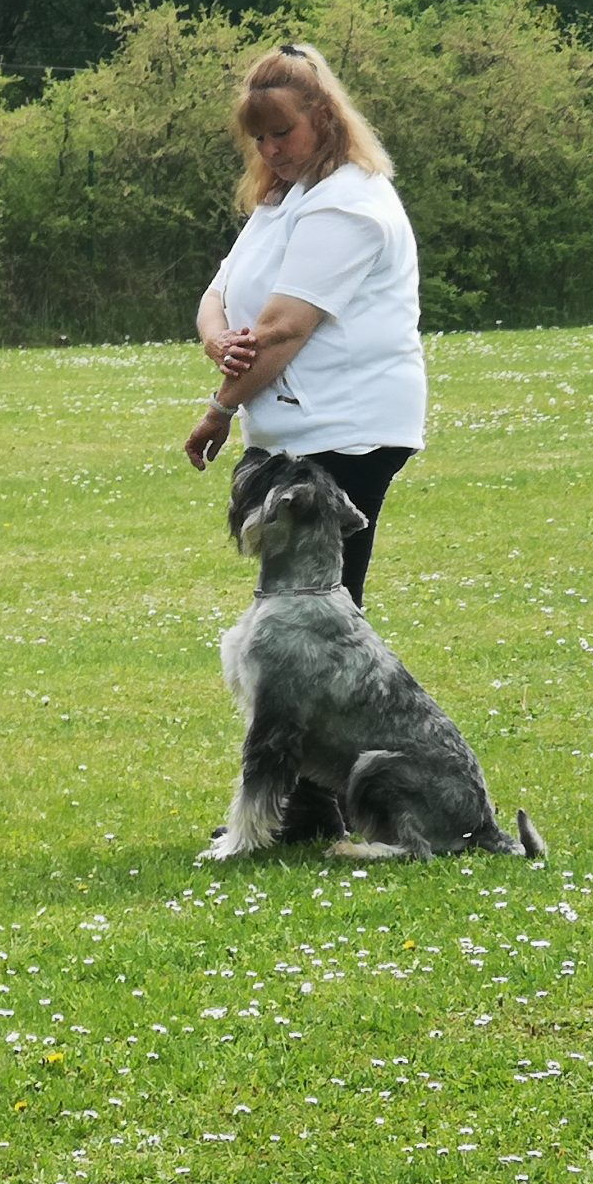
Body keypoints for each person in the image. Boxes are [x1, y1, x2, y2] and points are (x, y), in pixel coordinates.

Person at [182, 42, 427, 836]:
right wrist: (219, 340)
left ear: (324, 118)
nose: (268, 149)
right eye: (256, 137)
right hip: (289, 429)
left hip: (346, 432)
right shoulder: (282, 199)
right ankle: (309, 799)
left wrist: (219, 408)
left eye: (280, 132)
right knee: (300, 625)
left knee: (318, 626)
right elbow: (219, 294)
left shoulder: (349, 205)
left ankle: (308, 802)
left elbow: (284, 329)